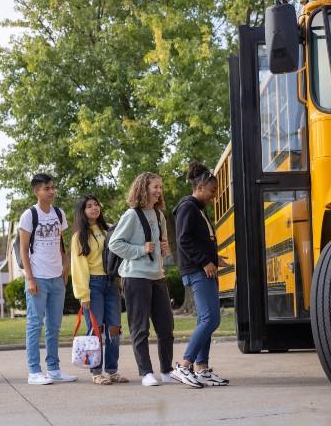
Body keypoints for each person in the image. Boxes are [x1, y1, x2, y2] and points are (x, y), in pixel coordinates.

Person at [108, 172, 175, 387]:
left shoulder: (159, 216)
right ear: (143, 188)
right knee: (140, 328)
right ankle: (146, 372)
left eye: (160, 187)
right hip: (135, 277)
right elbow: (115, 244)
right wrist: (140, 249)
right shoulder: (131, 215)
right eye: (155, 187)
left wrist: (165, 249)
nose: (159, 191)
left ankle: (166, 370)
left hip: (157, 276)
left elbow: (161, 246)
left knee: (166, 327)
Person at [170, 162, 230, 388]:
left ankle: (201, 368)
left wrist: (214, 259)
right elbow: (183, 240)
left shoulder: (197, 210)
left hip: (205, 268)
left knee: (206, 319)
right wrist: (204, 261)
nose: (214, 196)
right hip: (197, 271)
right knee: (210, 319)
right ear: (201, 187)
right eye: (212, 191)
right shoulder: (188, 207)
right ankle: (184, 365)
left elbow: (198, 240)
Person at [19, 173, 77, 385]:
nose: (51, 191)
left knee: (54, 326)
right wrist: (30, 278)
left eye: (53, 187)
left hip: (57, 278)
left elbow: (60, 244)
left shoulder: (59, 214)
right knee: (35, 324)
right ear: (37, 191)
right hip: (38, 278)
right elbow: (24, 250)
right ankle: (34, 371)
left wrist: (65, 266)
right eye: (47, 188)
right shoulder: (29, 215)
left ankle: (54, 369)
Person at [71, 195, 128, 385]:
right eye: (89, 206)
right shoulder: (79, 236)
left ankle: (112, 370)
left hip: (110, 284)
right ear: (82, 211)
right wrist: (83, 294)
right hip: (93, 286)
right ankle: (96, 371)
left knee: (114, 328)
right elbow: (78, 266)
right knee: (95, 330)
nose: (94, 208)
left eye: (96, 204)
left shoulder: (109, 229)